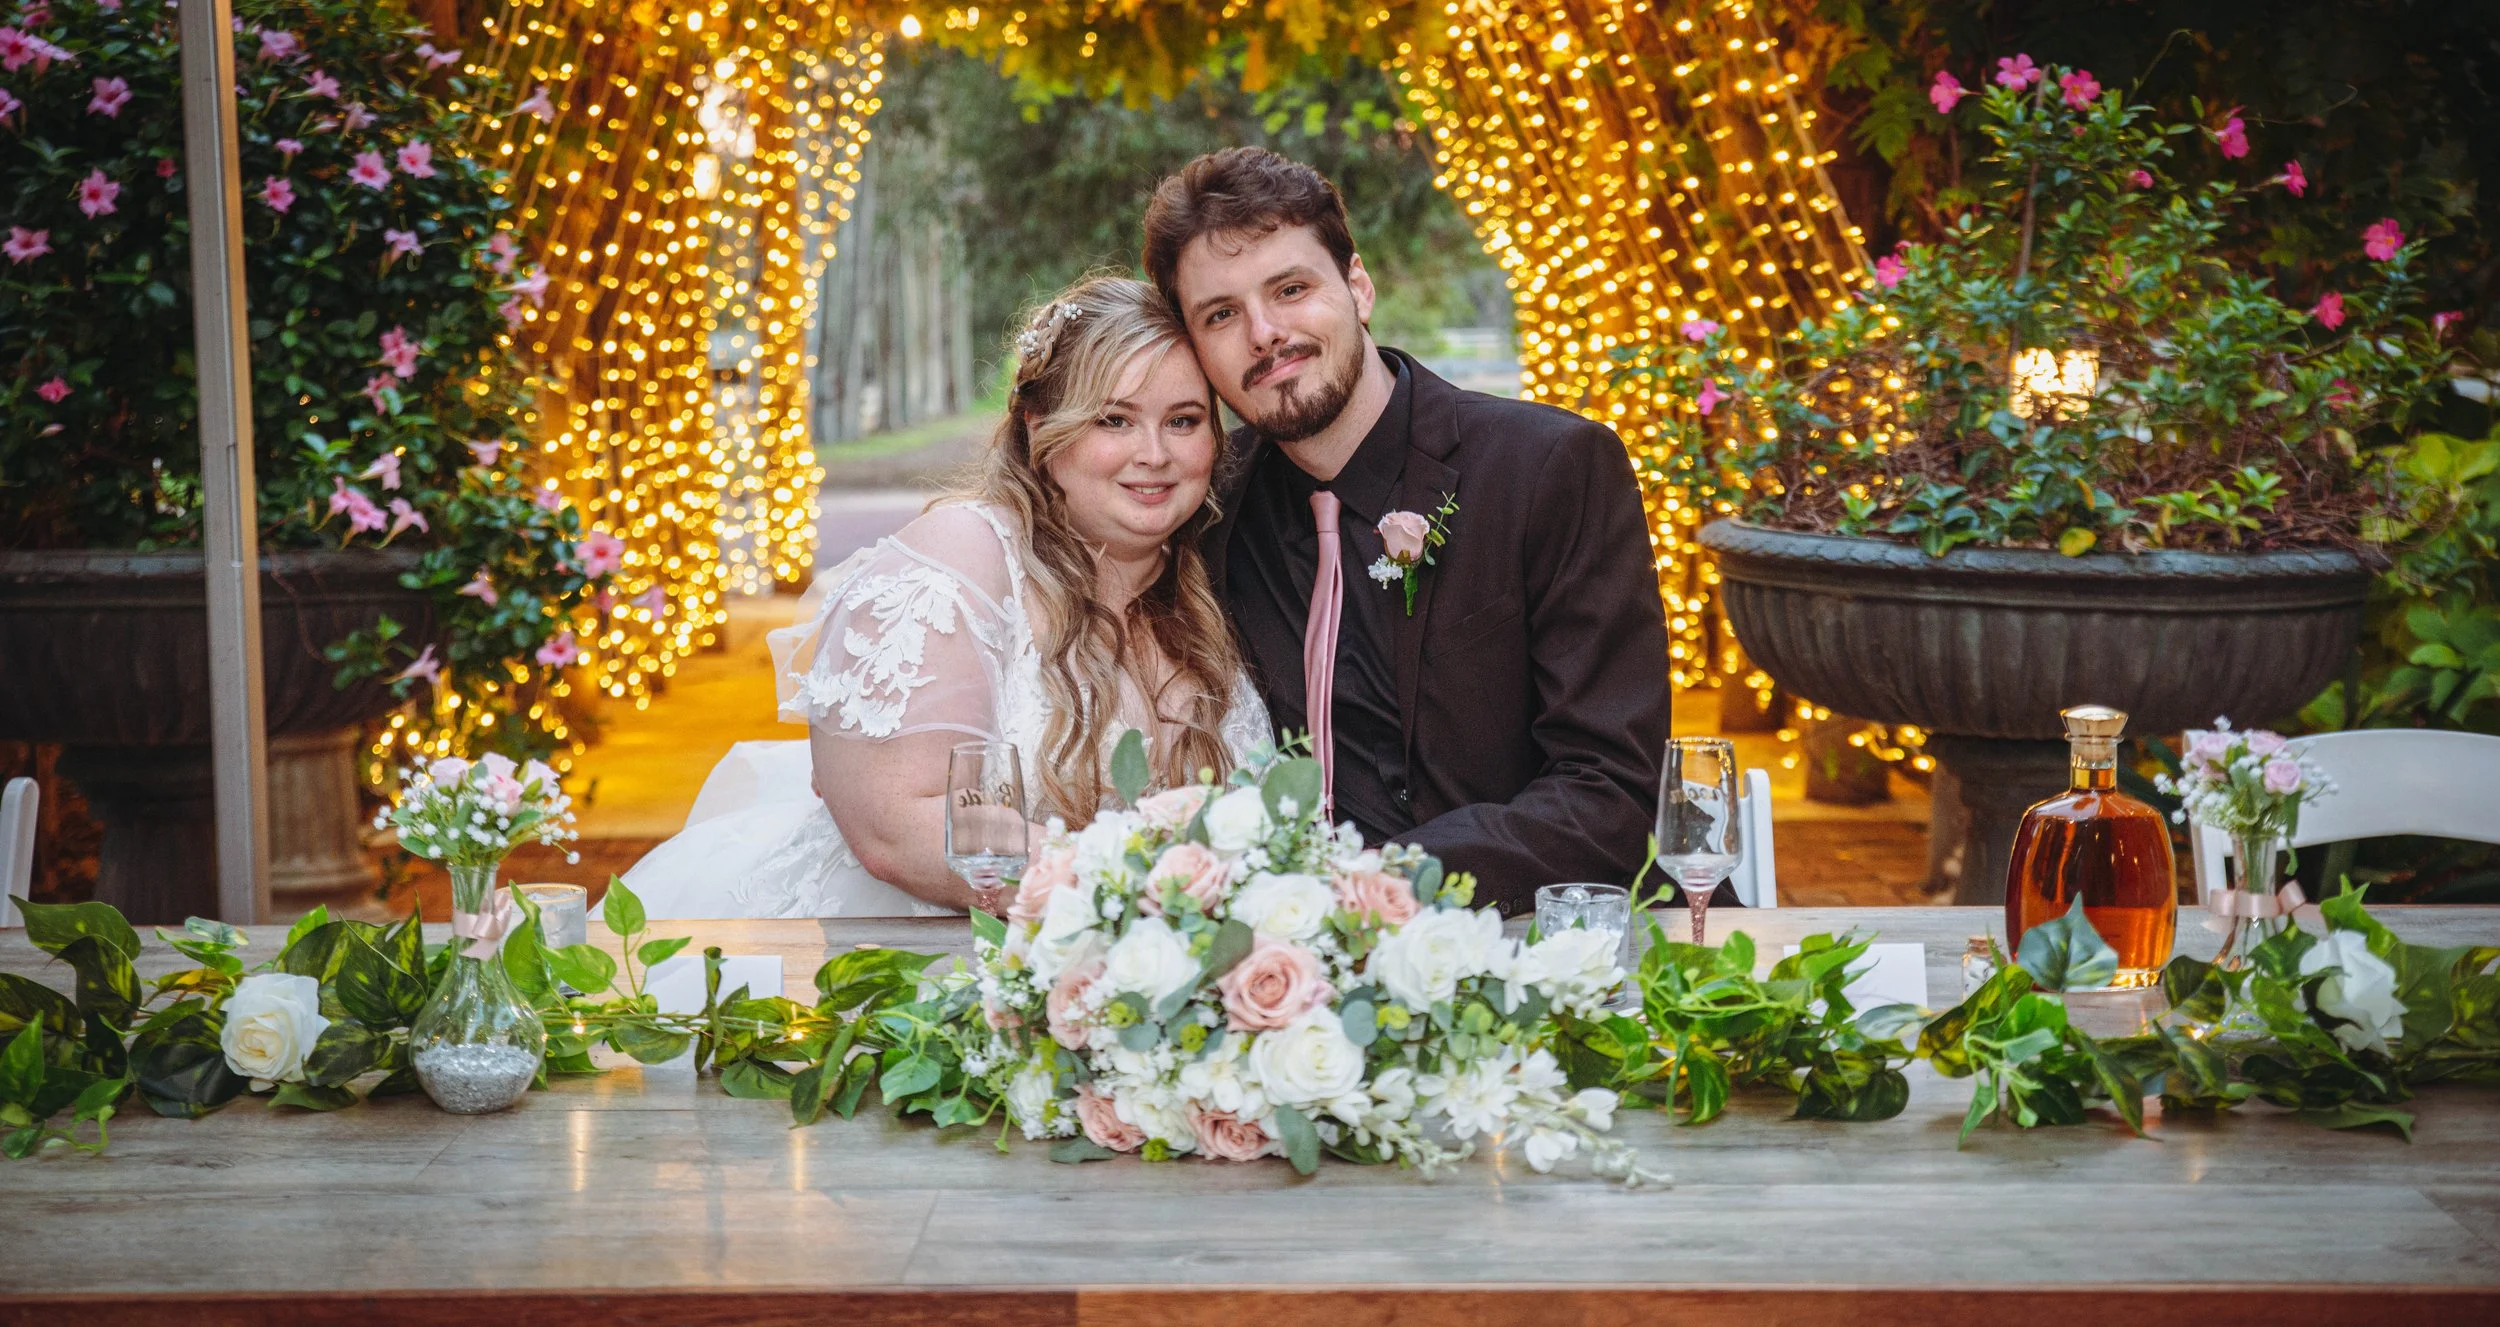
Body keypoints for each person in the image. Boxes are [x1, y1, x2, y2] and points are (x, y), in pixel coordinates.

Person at [621, 276, 1272, 918]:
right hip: (901, 955)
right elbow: (896, 825)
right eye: (1114, 419)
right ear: (1039, 427)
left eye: (1182, 421)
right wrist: (1136, 886)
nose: (1154, 453)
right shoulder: (963, 559)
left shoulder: (1219, 580)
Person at [1143, 147, 1671, 916]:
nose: (1264, 333)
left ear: (1357, 286)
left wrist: (1382, 881)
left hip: (1545, 934)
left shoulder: (1548, 469)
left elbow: (1614, 791)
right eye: (1220, 314)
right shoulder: (1208, 510)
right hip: (1290, 959)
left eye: (1291, 289)